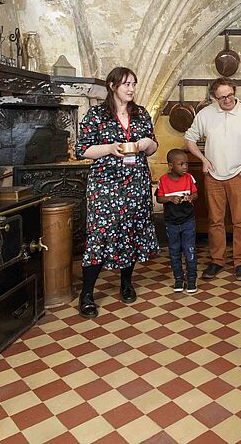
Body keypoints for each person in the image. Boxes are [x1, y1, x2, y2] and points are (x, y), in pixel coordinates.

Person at [75, 67, 160, 318]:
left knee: (130, 230)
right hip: (105, 184)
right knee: (99, 234)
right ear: (113, 86)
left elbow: (153, 147)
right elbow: (83, 150)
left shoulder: (141, 113)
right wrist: (110, 148)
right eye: (126, 84)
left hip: (136, 183)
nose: (131, 89)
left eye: (134, 84)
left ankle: (126, 283)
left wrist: (147, 144)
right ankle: (87, 294)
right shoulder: (96, 115)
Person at [185, 77, 241, 281]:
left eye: (230, 95)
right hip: (213, 176)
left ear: (234, 92)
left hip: (239, 175)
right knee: (215, 221)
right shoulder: (205, 114)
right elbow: (189, 138)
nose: (227, 100)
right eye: (222, 98)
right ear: (215, 97)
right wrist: (203, 160)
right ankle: (217, 261)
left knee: (240, 221)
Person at [155, 149, 198, 293]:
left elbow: (195, 194)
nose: (185, 167)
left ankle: (191, 279)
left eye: (186, 164)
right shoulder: (163, 180)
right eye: (181, 164)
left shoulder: (189, 178)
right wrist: (170, 199)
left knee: (190, 250)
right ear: (171, 166)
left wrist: (190, 197)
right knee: (174, 251)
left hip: (188, 221)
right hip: (171, 223)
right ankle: (178, 279)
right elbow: (159, 198)